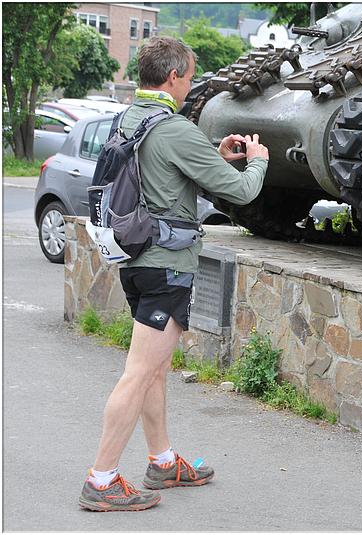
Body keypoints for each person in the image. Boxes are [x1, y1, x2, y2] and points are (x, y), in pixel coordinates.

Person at [79, 37, 270, 512]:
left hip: (134, 259)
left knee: (155, 370)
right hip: (167, 266)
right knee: (140, 373)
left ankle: (163, 461)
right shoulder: (175, 128)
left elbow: (161, 172)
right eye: (189, 77)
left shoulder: (129, 118)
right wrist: (259, 161)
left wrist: (211, 155)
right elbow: (242, 192)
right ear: (172, 77)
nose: (190, 85)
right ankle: (102, 479)